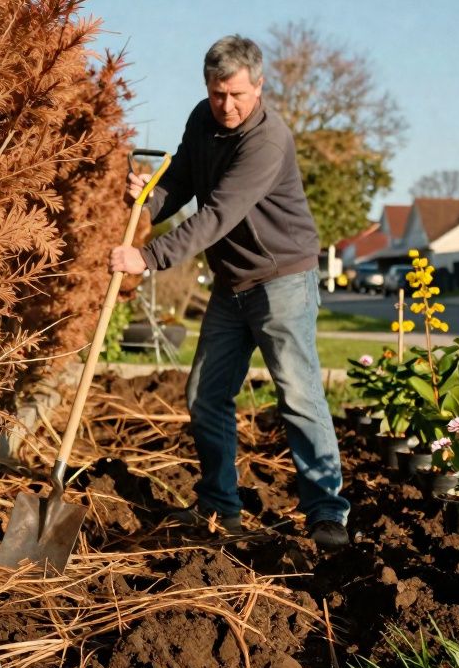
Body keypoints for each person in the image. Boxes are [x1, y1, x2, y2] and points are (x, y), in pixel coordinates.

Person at [109, 35, 351, 550]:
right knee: (205, 394)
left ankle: (327, 513)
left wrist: (148, 258)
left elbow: (218, 213)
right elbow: (184, 177)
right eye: (218, 94)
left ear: (259, 87)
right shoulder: (204, 118)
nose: (227, 105)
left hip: (282, 278)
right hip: (232, 283)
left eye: (238, 94)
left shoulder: (267, 140)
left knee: (299, 394)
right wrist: (148, 204)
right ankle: (220, 504)